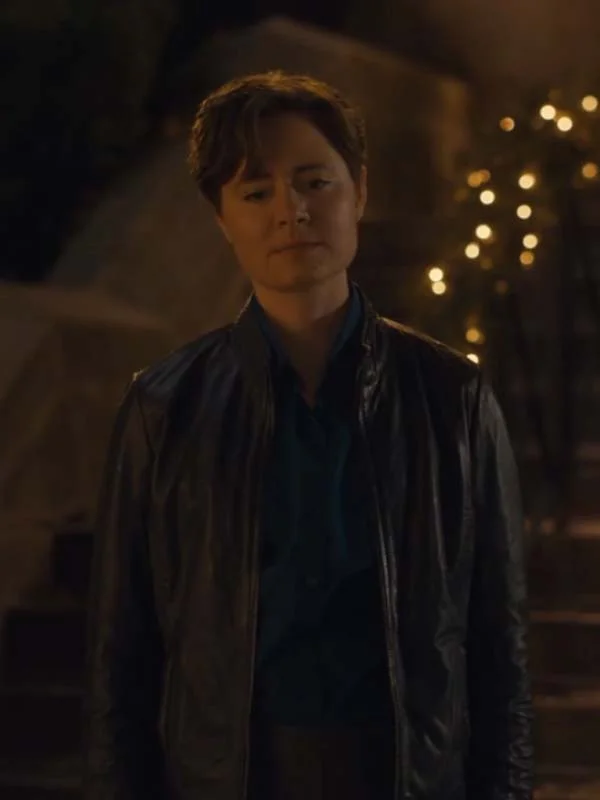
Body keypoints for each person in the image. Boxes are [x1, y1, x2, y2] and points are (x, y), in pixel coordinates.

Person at [83, 70, 534, 800]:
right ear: (222, 219)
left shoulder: (452, 399)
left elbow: (498, 649)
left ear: (360, 190)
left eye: (314, 182)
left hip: (406, 775)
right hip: (232, 776)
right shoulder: (164, 408)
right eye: (256, 193)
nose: (291, 211)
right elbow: (121, 657)